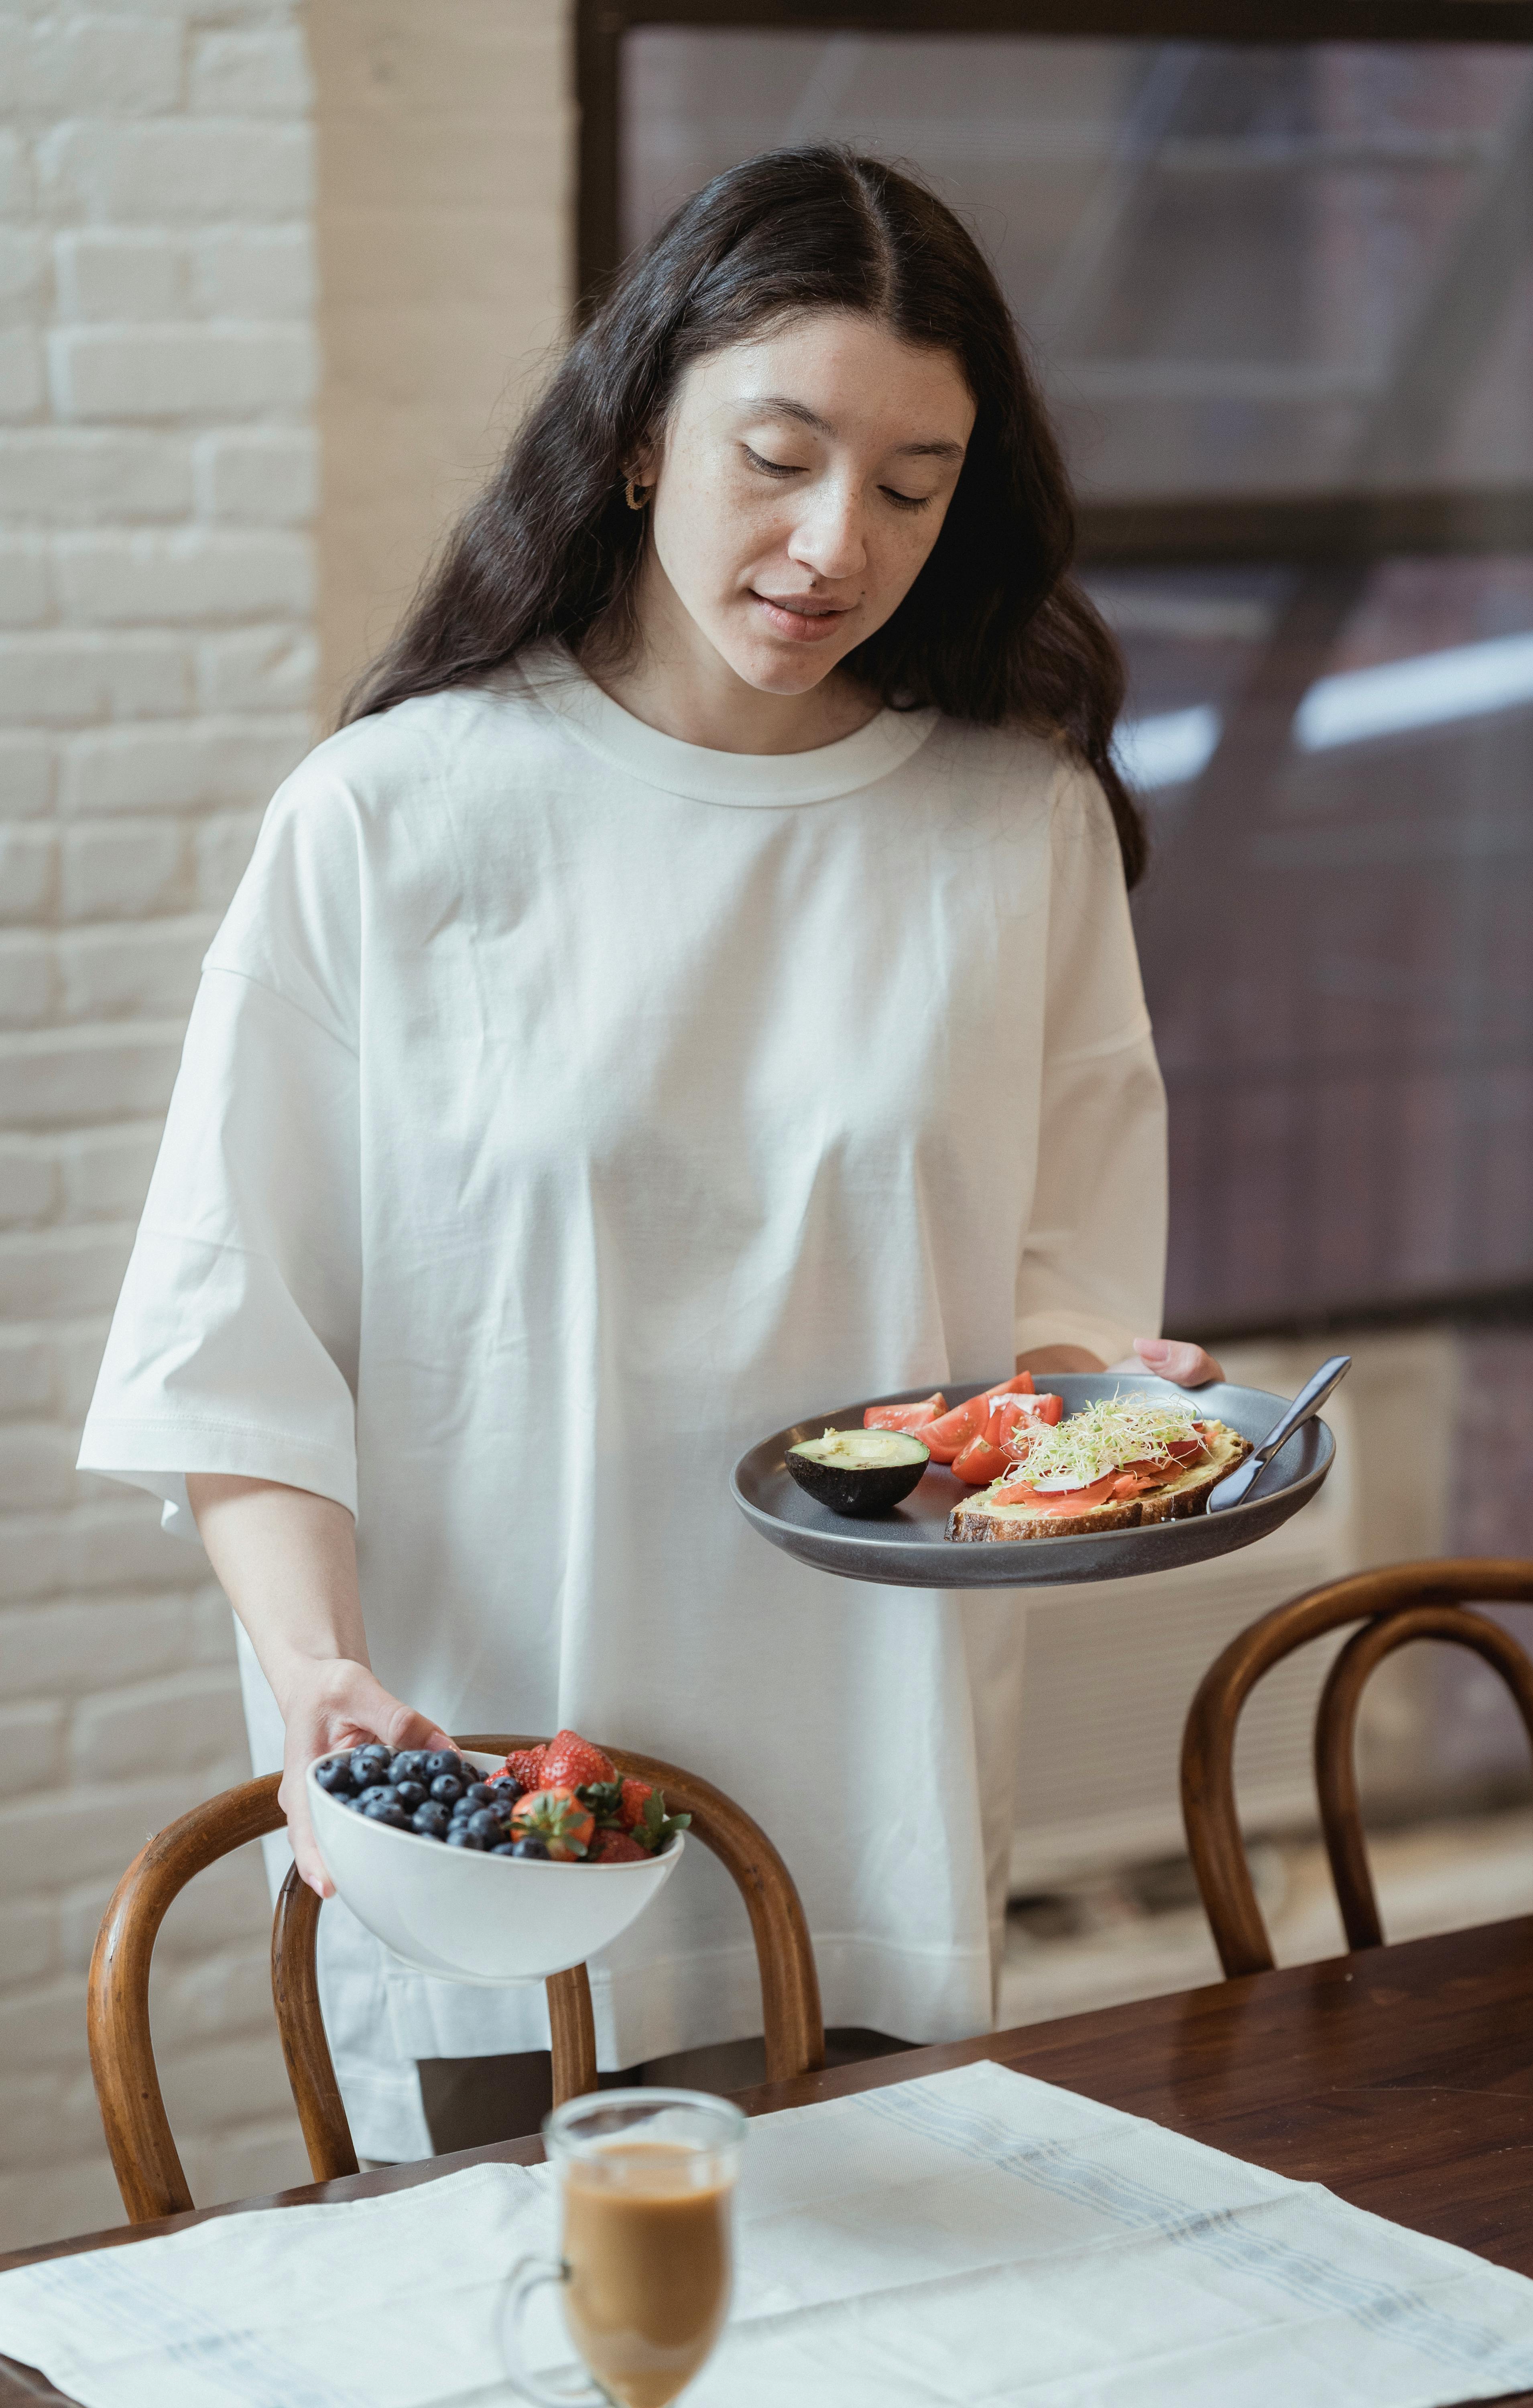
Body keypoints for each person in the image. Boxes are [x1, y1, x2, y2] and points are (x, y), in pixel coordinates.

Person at [79, 146, 1222, 2162]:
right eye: (776, 458)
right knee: (521, 2300)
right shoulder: (396, 815)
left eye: (911, 486)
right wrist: (319, 1670)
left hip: (869, 1784)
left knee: (895, 2302)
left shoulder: (1012, 823)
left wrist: (1108, 1421)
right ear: (634, 440)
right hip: (496, 1797)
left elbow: (1051, 1310)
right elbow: (232, 1342)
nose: (833, 542)